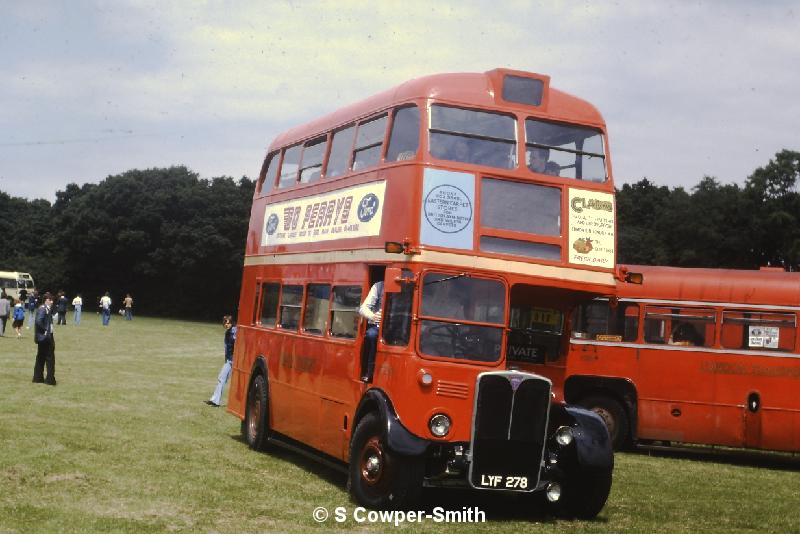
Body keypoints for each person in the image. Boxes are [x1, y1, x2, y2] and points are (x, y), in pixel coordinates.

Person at [206, 315, 237, 407]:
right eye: (225, 323)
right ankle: (215, 400)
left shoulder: (235, 331)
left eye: (228, 323)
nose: (226, 325)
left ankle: (217, 401)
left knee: (228, 380)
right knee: (221, 378)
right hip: (229, 360)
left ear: (232, 322)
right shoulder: (228, 332)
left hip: (235, 361)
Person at [358, 280, 384, 381]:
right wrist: (373, 316)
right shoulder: (379, 286)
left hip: (396, 327)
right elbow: (363, 308)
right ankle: (369, 372)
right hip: (377, 326)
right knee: (371, 335)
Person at [32, 292, 56, 385]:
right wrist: (46, 330)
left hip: (44, 337)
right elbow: (38, 321)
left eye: (52, 300)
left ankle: (38, 378)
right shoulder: (43, 309)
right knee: (50, 358)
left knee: (41, 357)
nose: (52, 302)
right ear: (46, 300)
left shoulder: (46, 309)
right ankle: (49, 380)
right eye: (50, 300)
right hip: (45, 337)